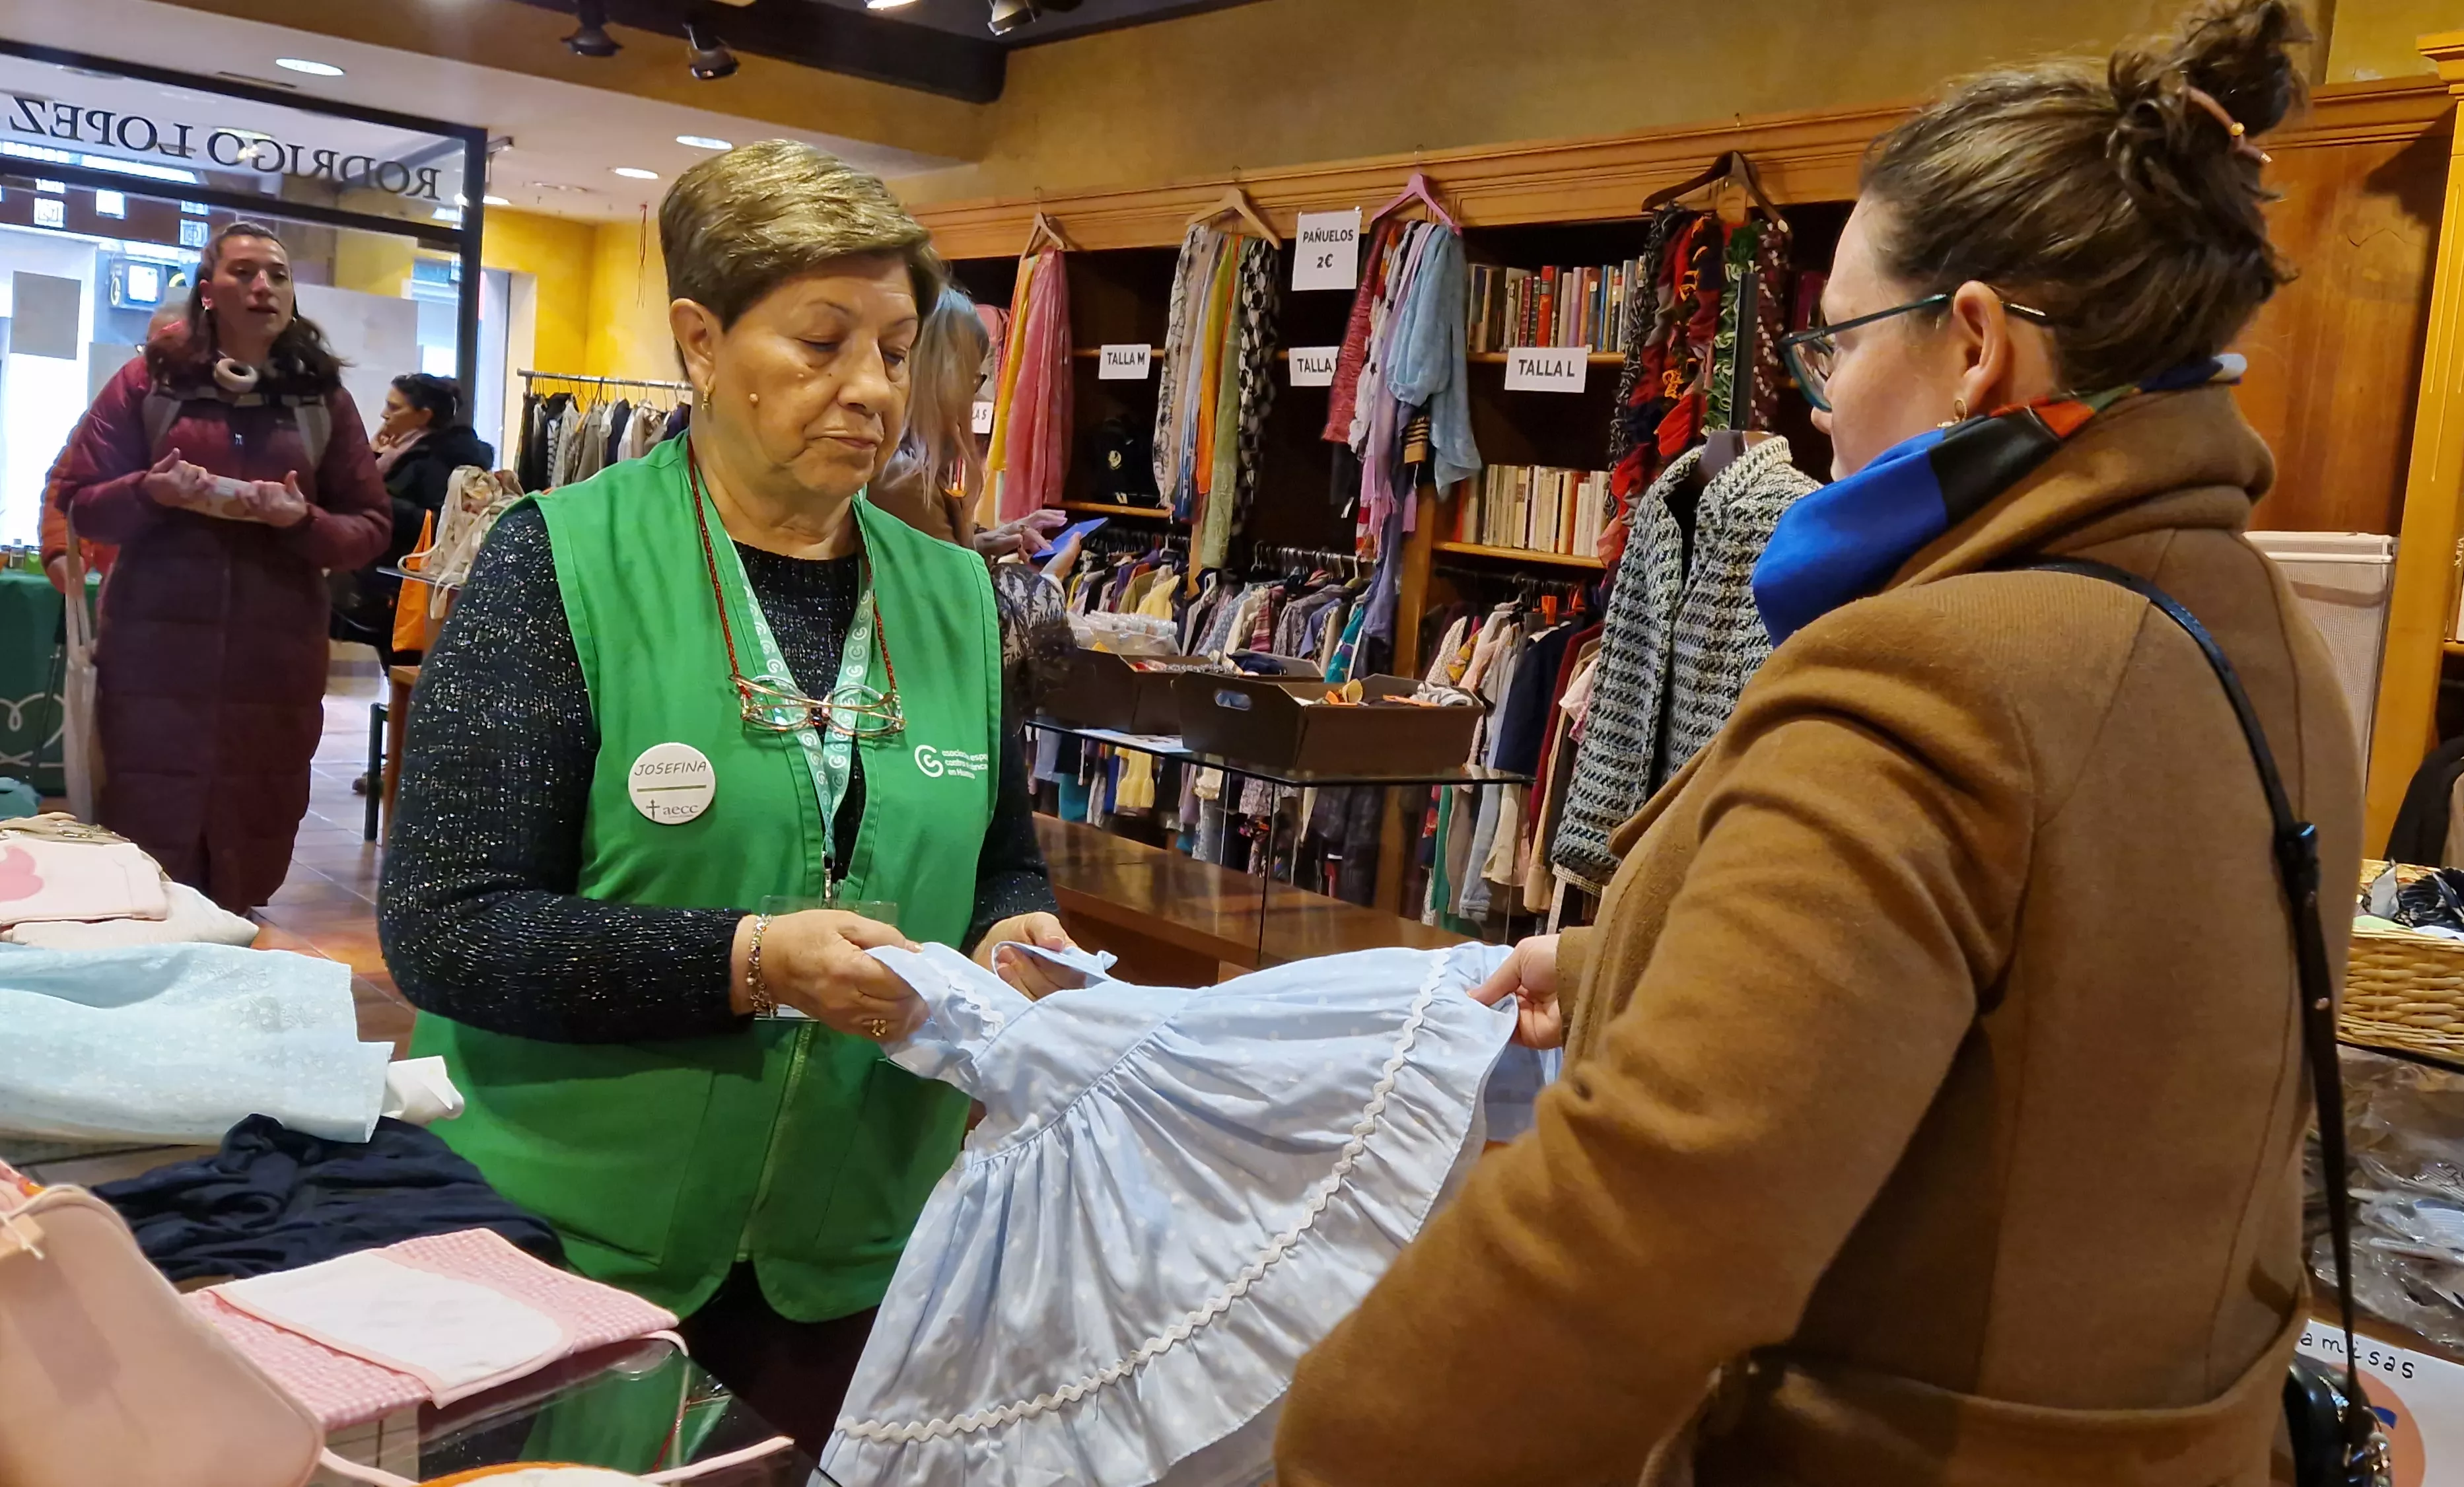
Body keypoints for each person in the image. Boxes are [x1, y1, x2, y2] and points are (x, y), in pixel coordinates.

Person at [1275, 3, 2360, 1484]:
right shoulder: (2264, 637)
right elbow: (2064, 1008)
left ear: (1972, 344)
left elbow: (1655, 1216)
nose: (1815, 392)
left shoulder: (1933, 671)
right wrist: (1620, 963)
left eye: (1833, 337)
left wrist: (1341, 1444)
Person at [378, 139, 1078, 1444]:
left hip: (852, 1254)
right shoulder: (561, 566)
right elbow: (446, 927)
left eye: (894, 346)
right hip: (560, 1249)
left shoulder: (959, 599)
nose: (871, 389)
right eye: (821, 344)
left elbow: (998, 858)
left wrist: (1011, 931)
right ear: (700, 343)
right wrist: (751, 960)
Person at [57, 225, 391, 914]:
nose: (263, 286)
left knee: (255, 828)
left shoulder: (322, 399)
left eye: (276, 273)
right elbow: (83, 504)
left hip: (276, 662)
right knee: (145, 834)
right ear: (207, 292)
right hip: (153, 657)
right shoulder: (147, 382)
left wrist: (298, 520)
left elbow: (370, 529)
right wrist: (152, 491)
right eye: (243, 273)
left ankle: (231, 940)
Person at [867, 284, 1067, 561]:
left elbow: (934, 557)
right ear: (941, 378)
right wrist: (1049, 581)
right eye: (973, 377)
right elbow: (953, 593)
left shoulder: (893, 466)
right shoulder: (905, 480)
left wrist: (991, 539)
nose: (974, 394)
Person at [332, 372, 494, 670]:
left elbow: (437, 523)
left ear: (423, 415)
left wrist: (377, 498)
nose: (384, 414)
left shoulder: (437, 462)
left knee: (405, 674)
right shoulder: (399, 451)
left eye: (395, 408)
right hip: (384, 579)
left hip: (403, 586)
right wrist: (373, 461)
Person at [40, 298, 191, 594]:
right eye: (152, 346)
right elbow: (69, 483)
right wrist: (62, 550)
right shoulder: (119, 404)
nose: (158, 357)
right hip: (126, 588)